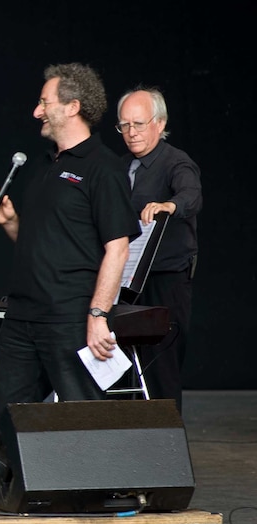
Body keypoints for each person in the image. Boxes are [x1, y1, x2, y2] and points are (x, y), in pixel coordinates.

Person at [0, 63, 140, 524]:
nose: (37, 111)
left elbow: (118, 246)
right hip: (24, 314)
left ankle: (83, 512)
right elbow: (46, 245)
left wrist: (98, 314)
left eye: (44, 102)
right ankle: (7, 498)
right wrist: (12, 224)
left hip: (71, 314)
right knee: (8, 409)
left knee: (78, 409)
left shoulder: (103, 169)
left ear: (72, 107)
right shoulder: (49, 169)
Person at [116, 87, 202, 413]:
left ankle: (164, 443)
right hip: (125, 279)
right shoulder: (120, 166)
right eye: (124, 125)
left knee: (161, 363)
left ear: (159, 123)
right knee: (120, 362)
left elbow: (191, 195)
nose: (131, 132)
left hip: (164, 279)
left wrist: (170, 204)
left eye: (138, 124)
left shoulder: (175, 162)